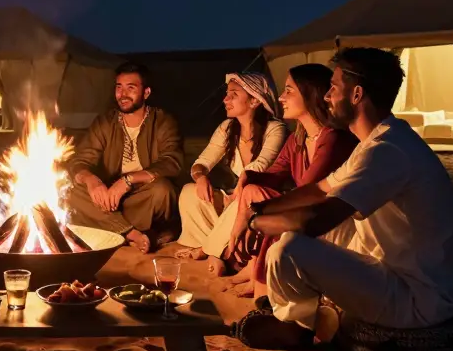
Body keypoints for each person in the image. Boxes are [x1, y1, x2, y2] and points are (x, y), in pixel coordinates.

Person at [237, 48, 453, 351]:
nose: (327, 96)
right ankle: (308, 312)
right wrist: (260, 207)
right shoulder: (377, 140)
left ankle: (295, 326)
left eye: (333, 88)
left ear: (357, 94)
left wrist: (256, 223)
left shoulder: (387, 150)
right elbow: (320, 189)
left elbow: (317, 219)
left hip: (419, 298)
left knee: (290, 247)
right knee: (307, 230)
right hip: (395, 267)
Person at [217, 65, 358, 299]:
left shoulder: (333, 140)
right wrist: (248, 176)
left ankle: (260, 283)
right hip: (304, 211)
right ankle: (252, 267)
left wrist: (259, 216)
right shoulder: (298, 138)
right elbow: (275, 174)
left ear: (310, 94)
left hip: (328, 221)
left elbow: (309, 192)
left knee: (278, 217)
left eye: (289, 91)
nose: (281, 97)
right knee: (253, 189)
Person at [174, 72, 287, 275]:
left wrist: (237, 195)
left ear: (254, 100)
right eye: (226, 94)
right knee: (189, 191)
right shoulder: (227, 129)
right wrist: (201, 178)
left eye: (233, 94)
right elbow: (201, 162)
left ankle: (214, 252)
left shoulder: (275, 129)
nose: (225, 99)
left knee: (243, 199)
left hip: (262, 201)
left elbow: (258, 168)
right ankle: (214, 244)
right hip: (238, 195)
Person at [66, 62, 183, 254]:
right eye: (119, 87)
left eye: (131, 88)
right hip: (109, 200)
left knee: (163, 190)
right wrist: (91, 180)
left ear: (146, 92)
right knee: (72, 191)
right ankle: (132, 234)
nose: (123, 94)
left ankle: (114, 228)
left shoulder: (163, 121)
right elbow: (80, 161)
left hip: (143, 198)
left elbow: (172, 162)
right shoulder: (105, 122)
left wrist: (128, 181)